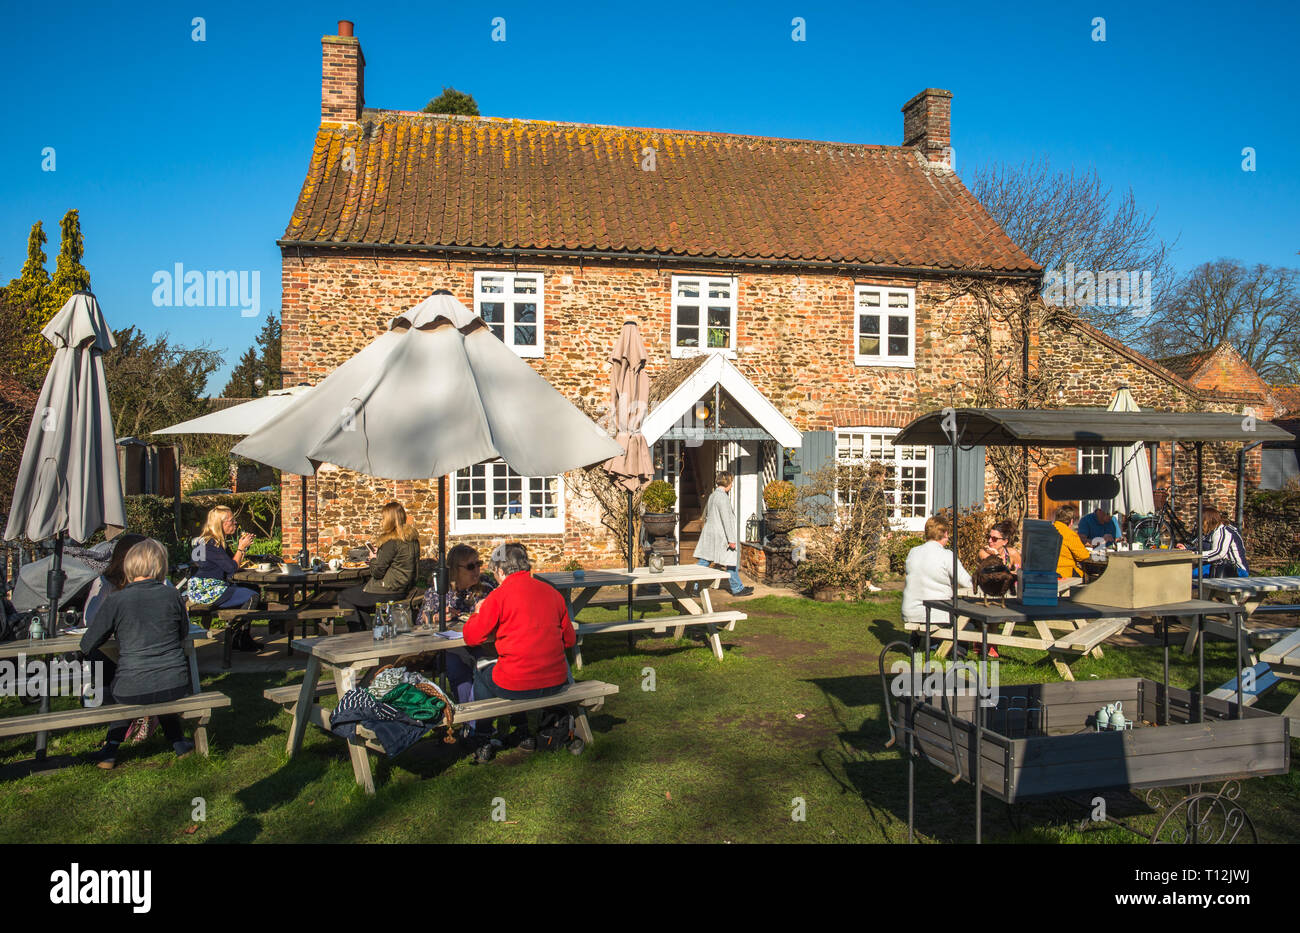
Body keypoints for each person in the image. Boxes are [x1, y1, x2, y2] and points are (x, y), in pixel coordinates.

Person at [81, 539, 196, 769]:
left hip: (130, 686)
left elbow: (87, 644)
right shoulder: (172, 596)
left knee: (131, 689)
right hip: (175, 683)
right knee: (158, 685)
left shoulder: (116, 600)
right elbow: (184, 632)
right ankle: (179, 743)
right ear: (160, 565)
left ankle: (110, 749)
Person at [462, 543, 575, 759]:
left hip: (517, 683)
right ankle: (523, 732)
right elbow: (568, 640)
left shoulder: (499, 596)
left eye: (494, 573)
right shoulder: (552, 593)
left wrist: (478, 612)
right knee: (512, 666)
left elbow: (472, 637)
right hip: (556, 681)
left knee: (482, 666)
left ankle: (483, 736)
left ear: (501, 571)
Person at [418, 543, 497, 706]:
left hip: (480, 642)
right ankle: (470, 718)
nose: (476, 570)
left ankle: (484, 718)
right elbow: (421, 620)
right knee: (457, 668)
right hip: (449, 647)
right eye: (470, 566)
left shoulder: (486, 586)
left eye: (478, 564)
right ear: (455, 569)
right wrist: (435, 617)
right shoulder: (440, 591)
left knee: (486, 664)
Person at [337, 501, 421, 632]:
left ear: (389, 519)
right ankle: (367, 633)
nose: (381, 521)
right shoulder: (412, 539)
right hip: (404, 588)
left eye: (383, 518)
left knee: (344, 596)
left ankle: (357, 634)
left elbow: (377, 572)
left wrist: (373, 558)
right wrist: (380, 555)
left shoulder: (391, 541)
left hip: (387, 590)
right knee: (359, 600)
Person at [188, 506, 262, 650]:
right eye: (231, 520)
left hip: (205, 586)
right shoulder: (211, 545)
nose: (235, 523)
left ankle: (243, 637)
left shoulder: (208, 541)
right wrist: (241, 548)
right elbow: (231, 568)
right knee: (252, 596)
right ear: (220, 524)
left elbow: (228, 565)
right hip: (208, 589)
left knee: (254, 588)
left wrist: (242, 550)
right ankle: (235, 635)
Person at [901, 515, 974, 630]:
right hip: (937, 613)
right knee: (969, 626)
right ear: (945, 534)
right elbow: (968, 583)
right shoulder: (947, 555)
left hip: (910, 610)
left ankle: (917, 644)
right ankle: (957, 648)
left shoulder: (913, 552)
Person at [694, 471, 754, 597]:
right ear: (728, 482)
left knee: (705, 561)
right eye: (731, 482)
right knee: (729, 561)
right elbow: (726, 520)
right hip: (721, 536)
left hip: (711, 534)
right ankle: (737, 589)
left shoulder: (713, 495)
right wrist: (731, 539)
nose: (732, 485)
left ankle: (694, 588)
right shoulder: (722, 497)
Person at [1175, 506, 1249, 578]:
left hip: (1236, 570)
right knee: (1186, 574)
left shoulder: (1223, 531)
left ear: (1207, 521)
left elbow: (1218, 553)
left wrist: (1194, 555)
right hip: (1218, 567)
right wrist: (1187, 550)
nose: (1198, 524)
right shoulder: (1211, 531)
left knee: (1190, 576)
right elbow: (1201, 547)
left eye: (1200, 521)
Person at [1053, 504, 1092, 580]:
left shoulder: (1047, 530)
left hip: (1047, 573)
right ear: (1071, 521)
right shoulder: (1069, 534)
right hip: (1064, 574)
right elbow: (1083, 556)